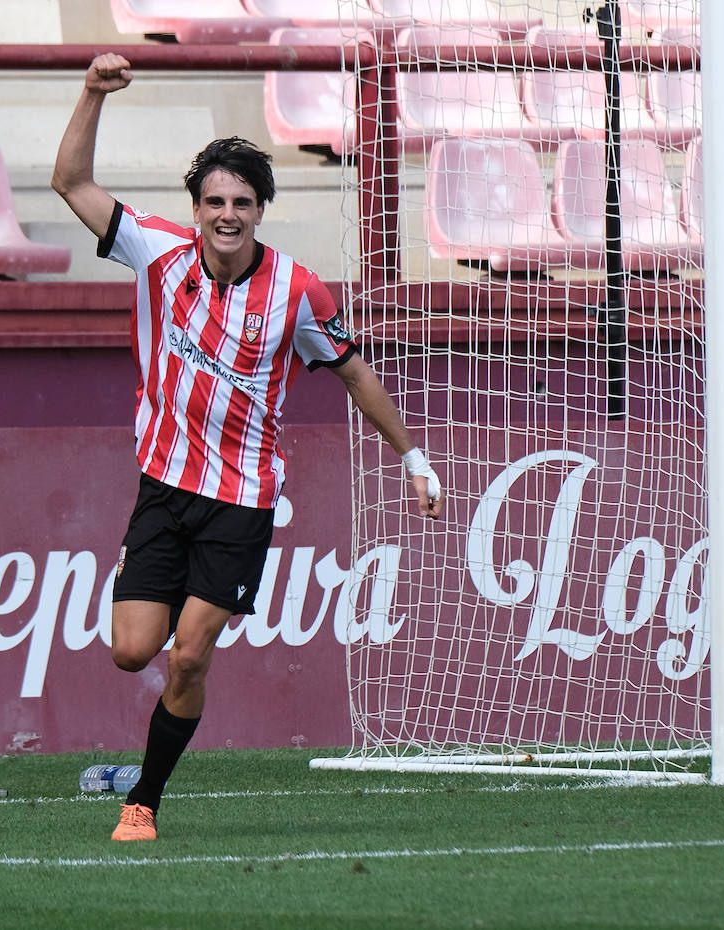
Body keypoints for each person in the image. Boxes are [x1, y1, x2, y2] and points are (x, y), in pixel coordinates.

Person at [52, 53, 443, 842]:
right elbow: (70, 182)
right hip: (162, 486)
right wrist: (92, 93)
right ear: (195, 209)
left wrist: (412, 456)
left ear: (261, 209)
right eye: (214, 201)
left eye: (241, 201)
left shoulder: (297, 291)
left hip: (242, 498)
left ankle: (144, 802)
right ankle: (152, 750)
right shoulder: (155, 252)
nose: (227, 214)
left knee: (189, 656)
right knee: (134, 652)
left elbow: (355, 374)